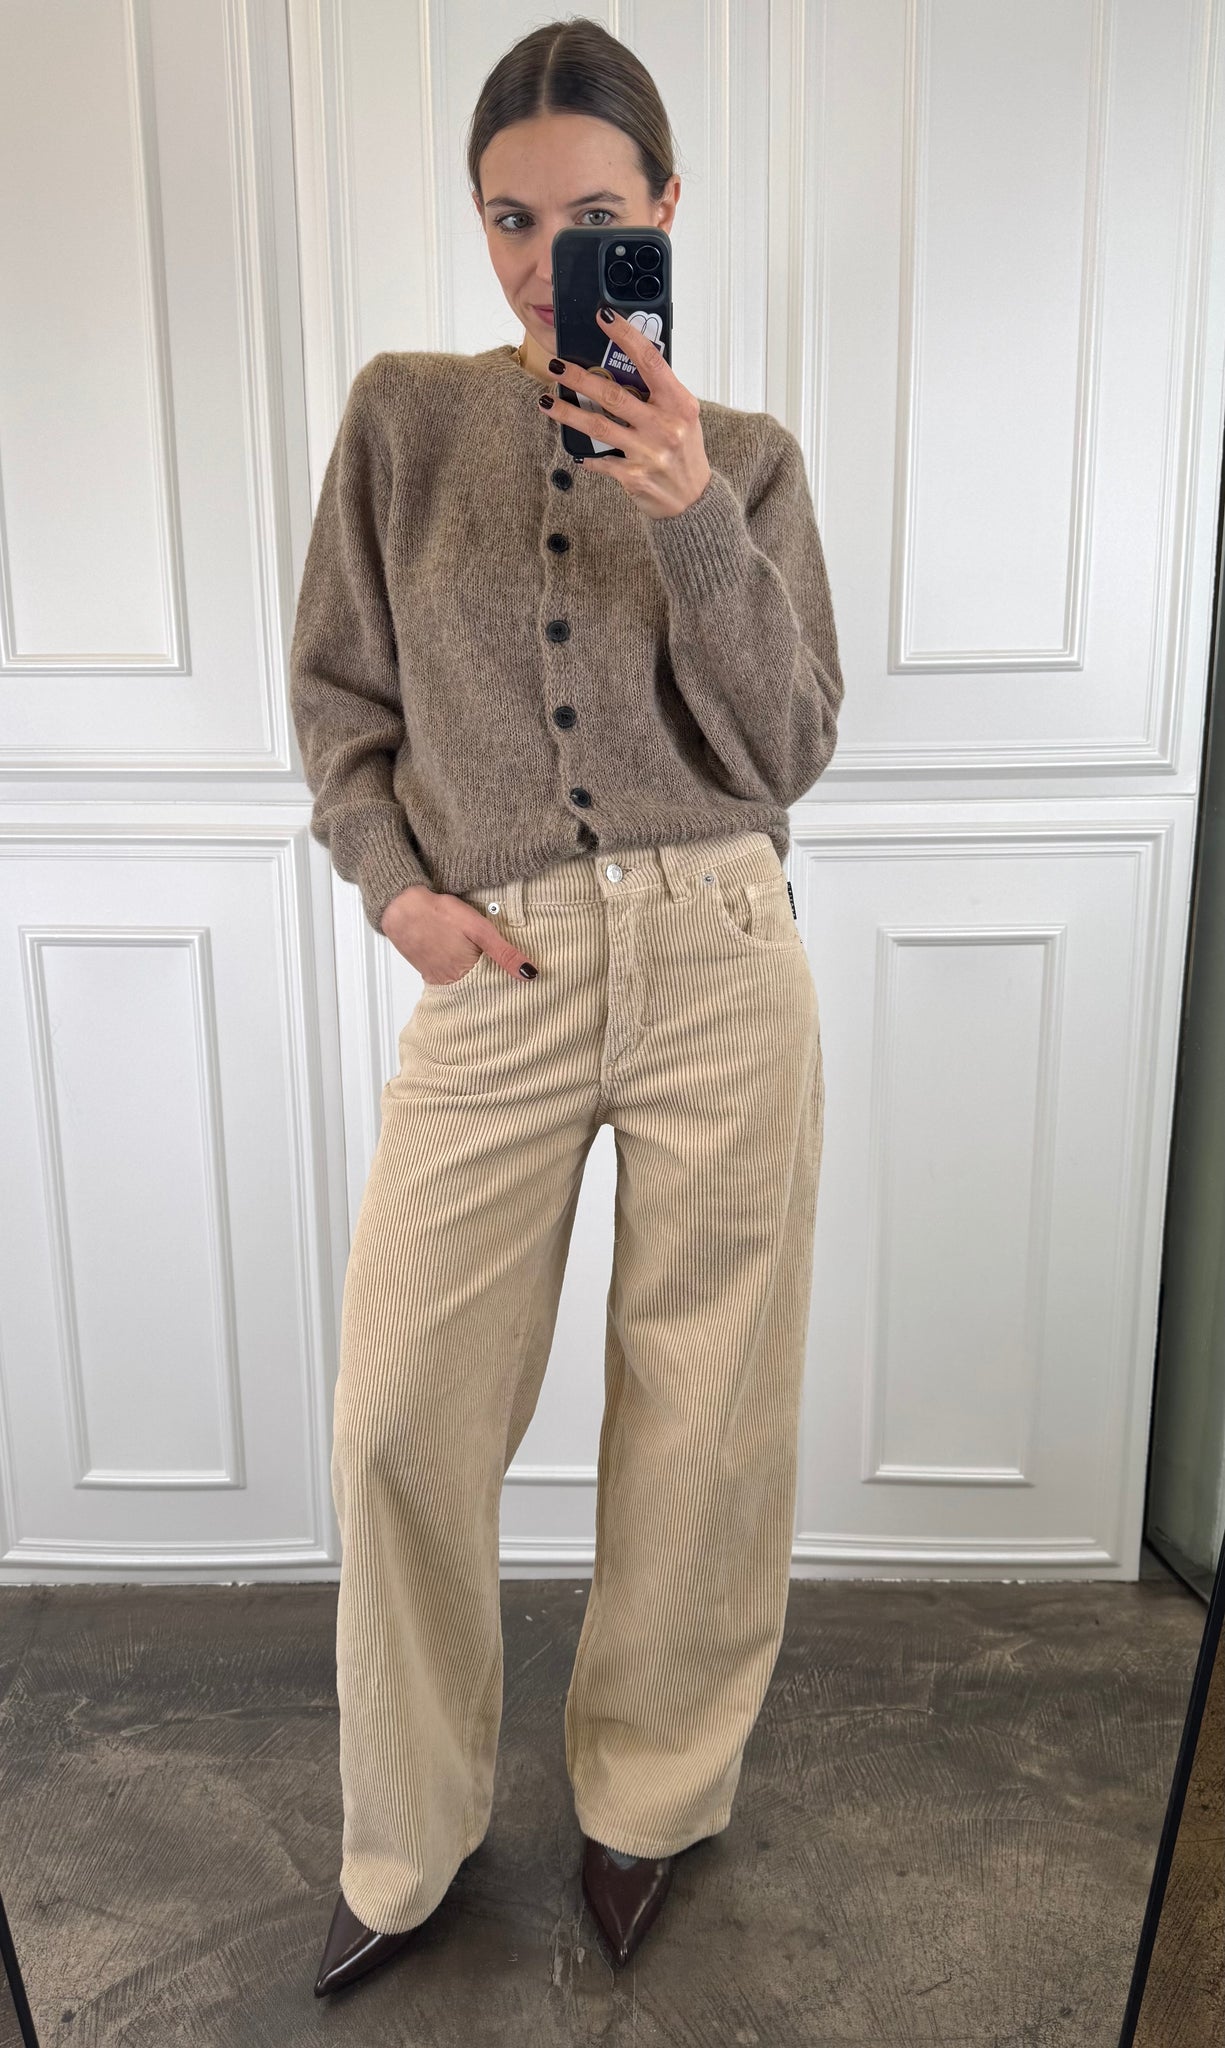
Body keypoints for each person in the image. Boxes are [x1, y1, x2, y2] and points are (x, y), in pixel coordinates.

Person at [289, 16, 844, 1997]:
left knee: (705, 1417)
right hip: (498, 966)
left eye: (592, 216)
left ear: (664, 211)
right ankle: (407, 1835)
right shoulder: (400, 421)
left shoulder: (745, 458)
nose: (545, 261)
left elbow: (788, 743)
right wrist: (398, 896)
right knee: (398, 1415)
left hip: (719, 953)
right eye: (511, 220)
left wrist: (688, 509)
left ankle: (648, 1800)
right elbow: (339, 705)